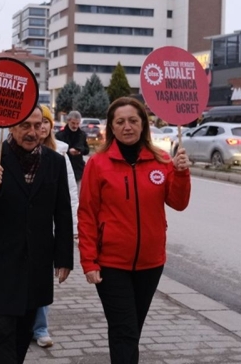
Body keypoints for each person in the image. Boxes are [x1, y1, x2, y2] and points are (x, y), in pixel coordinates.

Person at [78, 97, 191, 364]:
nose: (127, 126)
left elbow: (178, 203)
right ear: (111, 127)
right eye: (120, 122)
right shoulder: (98, 163)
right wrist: (88, 261)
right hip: (111, 264)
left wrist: (180, 173)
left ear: (143, 125)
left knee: (132, 330)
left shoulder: (161, 159)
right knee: (124, 330)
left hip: (150, 263)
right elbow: (87, 214)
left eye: (133, 120)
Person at [0, 106, 73, 364]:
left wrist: (64, 258)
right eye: (25, 126)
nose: (32, 132)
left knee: (23, 334)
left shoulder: (54, 162)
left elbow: (63, 212)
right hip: (1, 264)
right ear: (11, 126)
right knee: (3, 334)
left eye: (37, 125)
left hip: (37, 264)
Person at [30, 105, 80, 349]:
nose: (41, 127)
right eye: (36, 122)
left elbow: (69, 193)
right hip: (26, 227)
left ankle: (40, 327)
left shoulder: (59, 154)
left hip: (48, 230)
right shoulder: (18, 151)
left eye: (45, 122)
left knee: (43, 279)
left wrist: (72, 228)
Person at [55, 110, 89, 184]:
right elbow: (56, 151)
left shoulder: (82, 135)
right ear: (68, 121)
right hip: (64, 170)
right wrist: (68, 151)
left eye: (77, 123)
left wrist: (80, 151)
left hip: (79, 170)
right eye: (73, 123)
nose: (75, 126)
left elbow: (87, 150)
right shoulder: (60, 135)